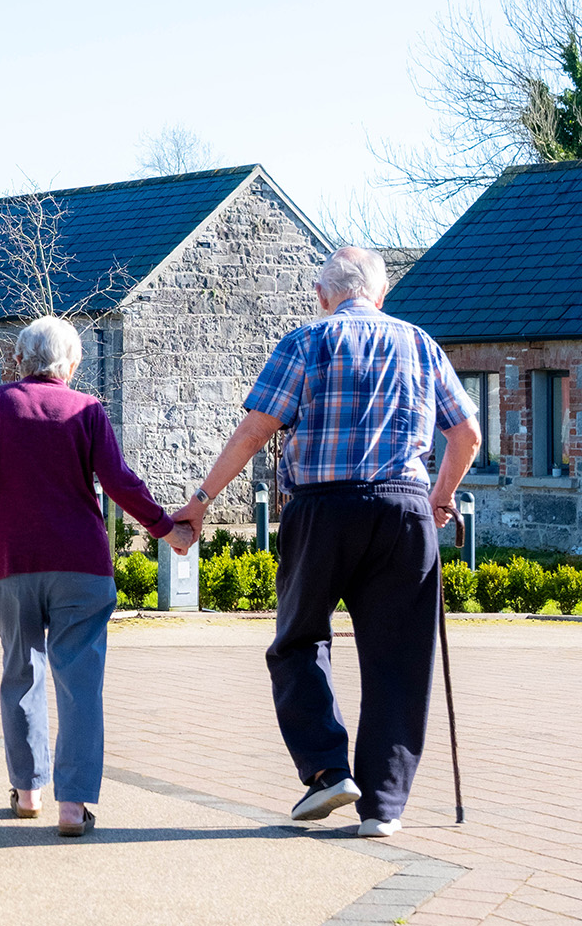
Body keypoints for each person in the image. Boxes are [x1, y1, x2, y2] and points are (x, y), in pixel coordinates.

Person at [171, 246, 480, 838]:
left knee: (297, 640)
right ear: (381, 294)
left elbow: (256, 428)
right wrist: (440, 498)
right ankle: (383, 807)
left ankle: (327, 771)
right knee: (399, 658)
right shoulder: (420, 344)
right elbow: (466, 434)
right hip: (403, 511)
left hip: (321, 510)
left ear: (322, 296)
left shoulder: (305, 342)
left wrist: (203, 501)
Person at [0, 315, 194, 837]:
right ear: (73, 364)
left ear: (18, 360)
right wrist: (165, 530)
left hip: (14, 563)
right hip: (81, 564)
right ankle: (73, 805)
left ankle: (28, 791)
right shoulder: (88, 410)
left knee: (21, 671)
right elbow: (119, 481)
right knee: (80, 683)